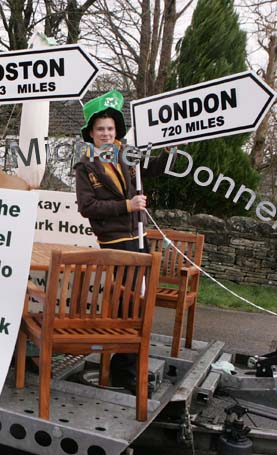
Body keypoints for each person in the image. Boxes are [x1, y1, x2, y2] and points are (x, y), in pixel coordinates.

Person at [74, 90, 174, 389]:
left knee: (140, 300)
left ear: (117, 131)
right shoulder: (86, 166)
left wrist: (168, 151)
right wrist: (126, 205)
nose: (106, 134)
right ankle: (124, 370)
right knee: (128, 302)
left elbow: (153, 168)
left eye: (110, 129)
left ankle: (129, 362)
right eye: (100, 129)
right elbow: (87, 207)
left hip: (138, 234)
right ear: (91, 134)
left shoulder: (127, 155)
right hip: (115, 241)